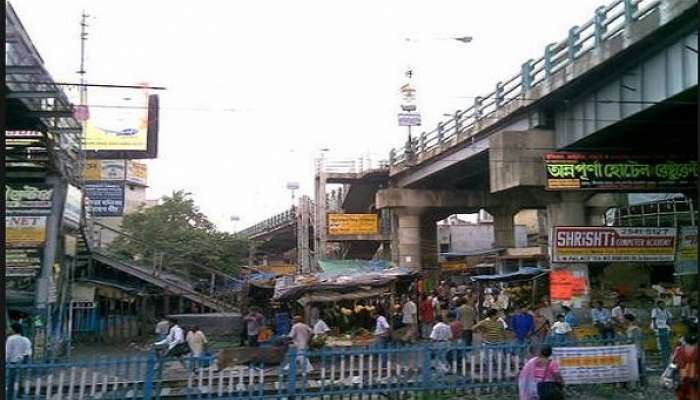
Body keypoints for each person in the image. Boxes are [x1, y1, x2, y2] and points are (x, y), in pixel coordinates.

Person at [6, 323, 32, 400]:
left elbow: (8, 352)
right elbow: (28, 352)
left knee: (11, 381)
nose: (8, 330)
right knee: (21, 379)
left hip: (12, 362)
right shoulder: (26, 339)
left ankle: (9, 397)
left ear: (13, 330)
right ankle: (20, 395)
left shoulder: (10, 339)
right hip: (23, 362)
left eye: (10, 328)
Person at [672, 334, 698, 400]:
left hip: (682, 377)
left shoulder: (679, 350)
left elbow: (674, 362)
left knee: (682, 395)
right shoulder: (696, 350)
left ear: (685, 341)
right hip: (694, 378)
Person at [624, 314, 645, 386]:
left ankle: (640, 383)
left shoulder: (632, 329)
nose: (623, 321)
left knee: (637, 366)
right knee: (639, 366)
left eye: (625, 319)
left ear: (627, 320)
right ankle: (641, 382)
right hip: (638, 349)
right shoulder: (637, 328)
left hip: (634, 350)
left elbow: (630, 340)